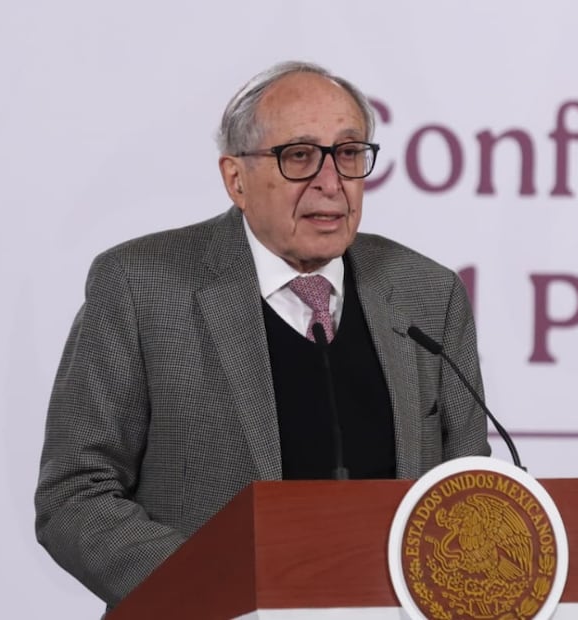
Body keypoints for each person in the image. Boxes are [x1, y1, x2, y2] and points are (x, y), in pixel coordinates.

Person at [34, 61, 490, 610]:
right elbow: (75, 493)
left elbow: (470, 493)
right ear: (235, 179)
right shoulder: (141, 284)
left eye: (348, 153)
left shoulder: (428, 293)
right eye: (299, 155)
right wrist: (216, 594)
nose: (330, 181)